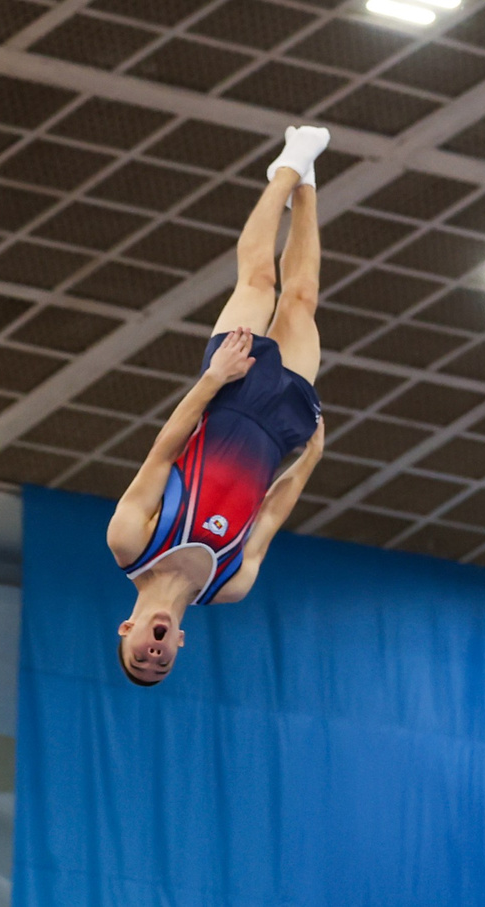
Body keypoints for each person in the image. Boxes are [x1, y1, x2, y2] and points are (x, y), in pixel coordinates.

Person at [106, 124, 330, 685]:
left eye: (141, 655)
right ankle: (307, 187)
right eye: (163, 662)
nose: (154, 654)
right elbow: (273, 512)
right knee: (300, 301)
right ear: (179, 643)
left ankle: (287, 165)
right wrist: (310, 459)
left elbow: (163, 453)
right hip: (280, 430)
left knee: (258, 279)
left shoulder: (130, 542)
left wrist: (212, 378)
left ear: (125, 630)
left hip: (227, 396)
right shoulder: (229, 584)